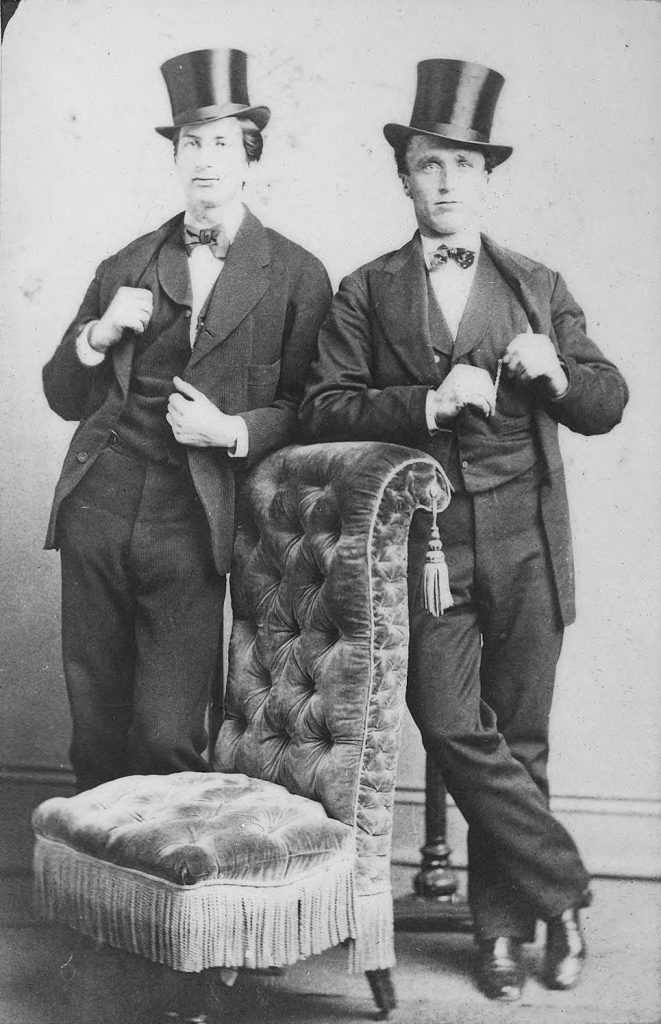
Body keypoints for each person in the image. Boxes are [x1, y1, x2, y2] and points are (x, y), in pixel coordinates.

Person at [300, 59, 628, 1001]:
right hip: (425, 549)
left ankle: (502, 936)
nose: (446, 183)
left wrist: (556, 377)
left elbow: (607, 401)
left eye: (464, 166)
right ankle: (563, 888)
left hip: (527, 541)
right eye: (430, 164)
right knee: (451, 724)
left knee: (519, 737)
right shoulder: (366, 291)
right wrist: (427, 405)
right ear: (404, 175)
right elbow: (322, 408)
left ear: (487, 178)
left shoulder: (535, 285)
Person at [43, 47, 331, 793]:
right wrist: (95, 336)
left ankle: (164, 904)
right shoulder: (126, 263)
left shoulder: (297, 276)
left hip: (194, 519)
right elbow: (62, 393)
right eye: (190, 144)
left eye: (222, 144)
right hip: (99, 506)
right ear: (174, 157)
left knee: (168, 731)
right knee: (97, 727)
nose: (205, 161)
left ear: (249, 158)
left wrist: (234, 432)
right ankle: (100, 902)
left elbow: (313, 406)